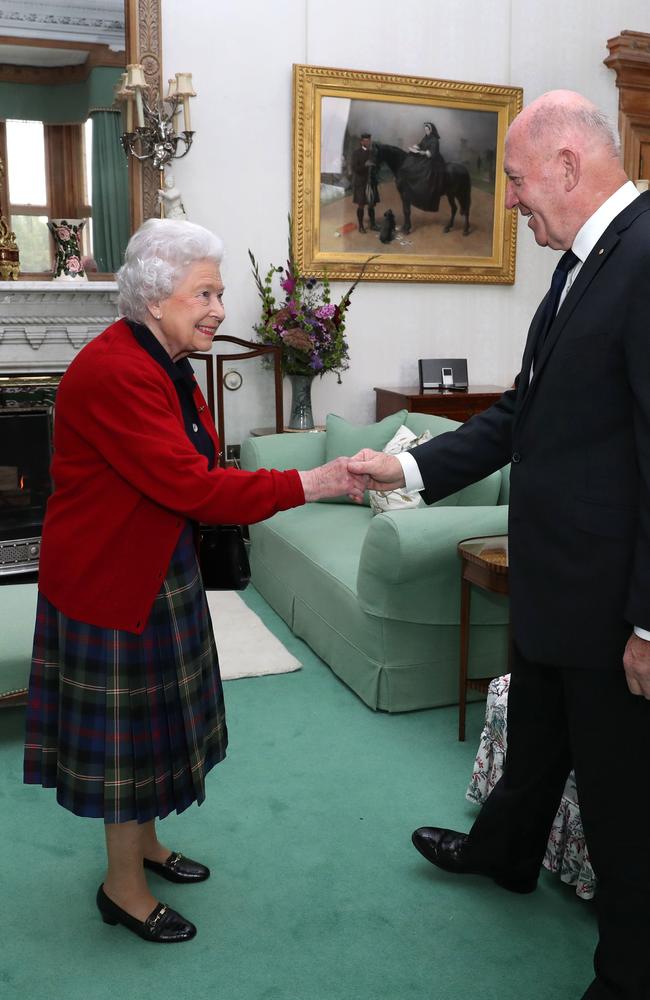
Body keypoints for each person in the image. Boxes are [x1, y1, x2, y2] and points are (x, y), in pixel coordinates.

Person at [349, 90, 650, 1000]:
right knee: (534, 742)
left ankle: (629, 975)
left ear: (569, 162)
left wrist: (648, 622)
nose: (510, 199)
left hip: (611, 599)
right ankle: (505, 855)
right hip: (557, 579)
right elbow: (522, 414)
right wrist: (406, 473)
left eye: (517, 179)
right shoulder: (577, 267)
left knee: (622, 804)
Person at [23, 218, 365, 944]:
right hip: (109, 578)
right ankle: (122, 887)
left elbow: (201, 469)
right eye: (204, 293)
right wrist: (317, 480)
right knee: (127, 744)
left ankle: (144, 848)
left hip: (151, 562)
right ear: (155, 297)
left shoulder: (165, 361)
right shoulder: (119, 370)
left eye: (220, 292)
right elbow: (197, 487)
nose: (218, 309)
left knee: (151, 729)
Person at [401, 121, 445, 211]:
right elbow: (421, 145)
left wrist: (422, 152)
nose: (426, 131)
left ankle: (423, 189)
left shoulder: (434, 140)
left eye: (427, 130)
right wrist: (416, 147)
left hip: (433, 160)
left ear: (431, 130)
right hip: (425, 157)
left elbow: (432, 153)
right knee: (413, 161)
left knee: (424, 170)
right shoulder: (426, 138)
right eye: (425, 130)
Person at [350, 132, 380, 232]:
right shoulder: (356, 153)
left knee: (371, 204)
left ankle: (373, 224)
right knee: (361, 204)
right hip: (361, 183)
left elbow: (377, 167)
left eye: (369, 141)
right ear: (361, 142)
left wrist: (375, 167)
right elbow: (354, 168)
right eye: (365, 141)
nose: (367, 142)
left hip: (371, 183)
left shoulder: (372, 153)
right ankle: (361, 226)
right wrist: (365, 165)